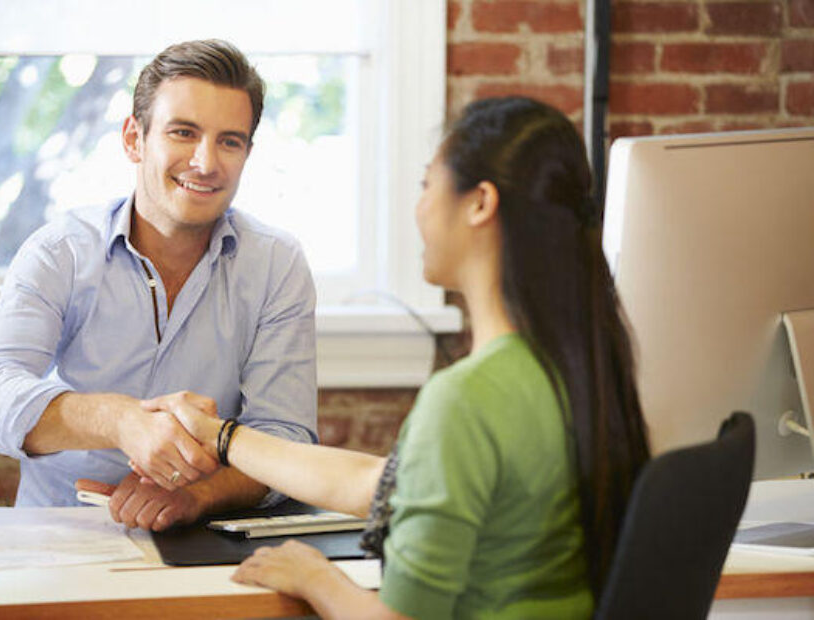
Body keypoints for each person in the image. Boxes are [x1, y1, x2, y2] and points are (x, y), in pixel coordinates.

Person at [137, 96, 650, 618]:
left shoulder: (466, 401)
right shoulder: (568, 371)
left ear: (479, 203)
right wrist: (221, 436)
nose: (420, 207)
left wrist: (318, 578)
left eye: (428, 184)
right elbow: (381, 484)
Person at [0, 40, 317, 531]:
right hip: (60, 533)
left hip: (203, 539)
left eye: (229, 141)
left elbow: (287, 441)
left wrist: (198, 495)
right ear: (134, 139)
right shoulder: (61, 250)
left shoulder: (278, 264)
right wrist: (121, 420)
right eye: (183, 132)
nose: (205, 162)